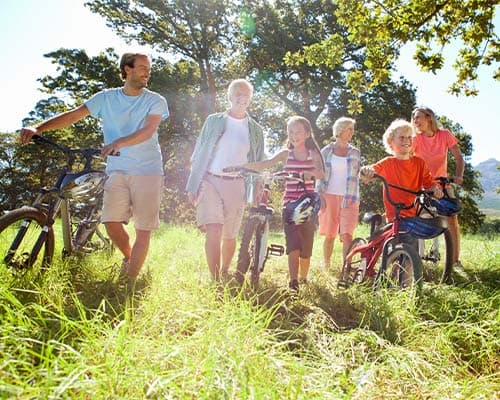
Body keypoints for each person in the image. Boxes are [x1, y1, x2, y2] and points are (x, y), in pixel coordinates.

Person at [20, 52, 169, 283]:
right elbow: (73, 116)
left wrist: (118, 142)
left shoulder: (155, 100)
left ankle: (129, 283)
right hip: (117, 169)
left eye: (148, 68)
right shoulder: (106, 98)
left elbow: (148, 131)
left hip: (148, 170)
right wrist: (38, 127)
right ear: (127, 69)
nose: (147, 72)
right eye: (141, 67)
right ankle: (131, 259)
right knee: (110, 223)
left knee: (143, 228)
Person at [231, 116, 325, 291]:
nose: (294, 135)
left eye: (298, 132)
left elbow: (321, 173)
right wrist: (243, 166)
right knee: (293, 243)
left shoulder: (312, 153)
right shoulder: (285, 154)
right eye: (290, 132)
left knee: (306, 246)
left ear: (307, 133)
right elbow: (266, 164)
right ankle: (293, 281)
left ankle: (303, 278)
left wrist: (309, 175)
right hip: (289, 203)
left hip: (307, 204)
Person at [185, 79, 265, 282]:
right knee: (214, 228)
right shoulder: (214, 120)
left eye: (246, 94)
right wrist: (193, 184)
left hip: (237, 183)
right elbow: (199, 151)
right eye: (237, 93)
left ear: (250, 99)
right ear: (229, 97)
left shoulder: (256, 130)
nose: (242, 97)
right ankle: (214, 278)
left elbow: (258, 161)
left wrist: (257, 186)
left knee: (229, 235)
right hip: (210, 180)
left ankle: (224, 270)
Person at [411, 106, 465, 269]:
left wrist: (459, 175)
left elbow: (459, 158)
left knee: (452, 220)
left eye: (419, 117)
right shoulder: (415, 139)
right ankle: (413, 257)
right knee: (412, 216)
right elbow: (408, 161)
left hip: (442, 182)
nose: (416, 121)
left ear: (429, 118)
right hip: (422, 185)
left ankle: (455, 261)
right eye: (414, 118)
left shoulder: (444, 135)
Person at [360, 119, 443, 223]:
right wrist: (366, 171)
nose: (406, 141)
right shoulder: (387, 163)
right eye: (401, 137)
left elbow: (429, 184)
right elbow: (369, 172)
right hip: (394, 216)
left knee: (433, 222)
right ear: (391, 142)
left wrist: (436, 190)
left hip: (414, 214)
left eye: (409, 137)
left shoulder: (419, 163)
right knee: (394, 237)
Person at [317, 117, 360, 271]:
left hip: (350, 197)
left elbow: (358, 174)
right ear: (340, 130)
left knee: (347, 234)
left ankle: (346, 268)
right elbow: (320, 173)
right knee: (330, 235)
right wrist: (319, 194)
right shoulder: (326, 151)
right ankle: (326, 266)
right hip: (329, 196)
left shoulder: (355, 152)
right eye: (350, 129)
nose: (352, 132)